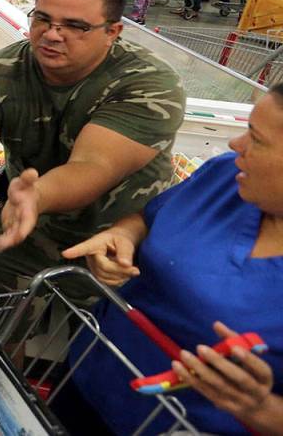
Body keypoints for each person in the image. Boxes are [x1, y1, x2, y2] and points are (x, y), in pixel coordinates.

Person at [0, 0, 185, 299]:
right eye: (42, 19)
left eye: (75, 26)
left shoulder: (148, 84)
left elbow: (93, 166)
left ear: (113, 31)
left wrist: (37, 195)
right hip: (23, 237)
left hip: (118, 249)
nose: (51, 34)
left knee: (95, 343)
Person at [56, 85, 283, 435]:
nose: (236, 144)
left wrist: (263, 411)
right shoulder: (227, 177)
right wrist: (121, 237)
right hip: (91, 376)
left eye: (256, 138)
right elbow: (148, 218)